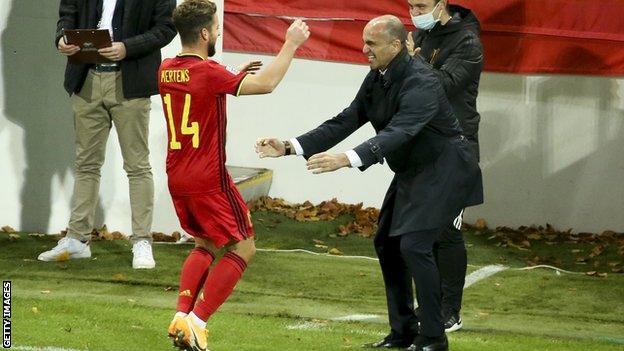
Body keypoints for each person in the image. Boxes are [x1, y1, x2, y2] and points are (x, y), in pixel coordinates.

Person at [255, 15, 482, 351]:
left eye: (372, 44)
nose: (364, 49)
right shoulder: (378, 76)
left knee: (414, 246)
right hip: (416, 171)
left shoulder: (423, 81)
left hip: (446, 169)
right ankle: (403, 331)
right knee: (388, 243)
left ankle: (434, 337)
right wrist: (291, 145)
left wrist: (346, 159)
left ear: (395, 44)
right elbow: (349, 118)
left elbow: (399, 131)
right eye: (364, 42)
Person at [159, 1, 310, 350]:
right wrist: (291, 43)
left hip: (178, 176)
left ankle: (181, 315)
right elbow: (268, 84)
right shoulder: (211, 74)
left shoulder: (165, 69)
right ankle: (198, 321)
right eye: (216, 26)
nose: (219, 31)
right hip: (208, 178)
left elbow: (199, 84)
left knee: (205, 243)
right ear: (203, 33)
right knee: (244, 246)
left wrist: (232, 74)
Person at [38, 0, 177, 269]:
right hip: (86, 78)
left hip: (130, 82)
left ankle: (141, 241)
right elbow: (68, 13)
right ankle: (77, 239)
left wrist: (128, 47)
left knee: (137, 165)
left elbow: (166, 27)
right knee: (86, 164)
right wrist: (62, 38)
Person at [406, 0, 484, 333]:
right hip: (422, 145)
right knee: (421, 231)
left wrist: (413, 60)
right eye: (409, 5)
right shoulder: (422, 36)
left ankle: (450, 310)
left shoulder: (467, 42)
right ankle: (429, 304)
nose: (414, 12)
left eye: (420, 5)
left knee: (446, 230)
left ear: (442, 3)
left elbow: (442, 86)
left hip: (455, 148)